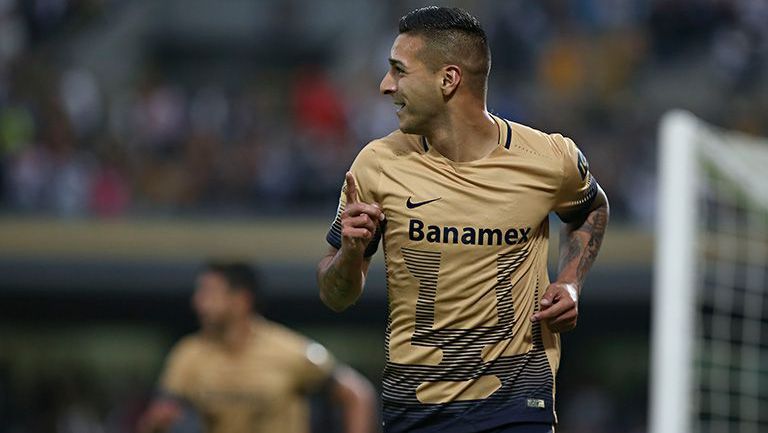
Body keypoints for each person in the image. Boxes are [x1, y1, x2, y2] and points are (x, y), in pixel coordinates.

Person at [316, 6, 609, 433]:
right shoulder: (376, 165)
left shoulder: (549, 158)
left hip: (516, 403)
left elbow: (592, 209)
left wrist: (570, 280)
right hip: (415, 407)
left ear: (448, 79)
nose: (385, 86)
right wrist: (349, 254)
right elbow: (335, 295)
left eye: (399, 71)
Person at [139, 261, 377, 433]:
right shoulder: (189, 353)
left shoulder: (289, 350)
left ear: (241, 300)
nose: (198, 302)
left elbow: (357, 394)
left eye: (209, 293)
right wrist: (157, 422)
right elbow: (160, 414)